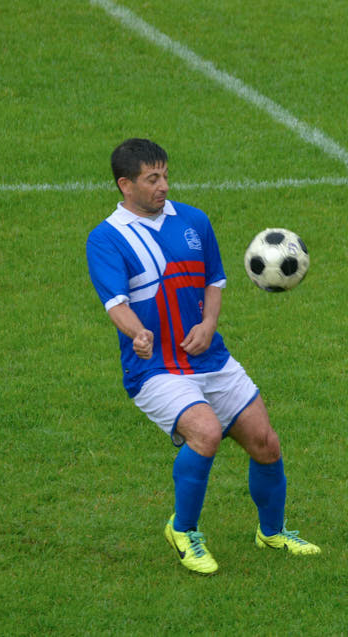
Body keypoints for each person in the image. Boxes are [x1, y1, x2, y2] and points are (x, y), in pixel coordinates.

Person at [86, 138, 321, 575]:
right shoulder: (106, 239)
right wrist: (139, 334)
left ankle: (272, 533)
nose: (163, 185)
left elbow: (214, 280)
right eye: (152, 179)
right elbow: (116, 303)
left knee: (266, 444)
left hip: (211, 359)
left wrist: (209, 322)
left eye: (165, 175)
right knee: (206, 433)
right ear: (125, 185)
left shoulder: (194, 220)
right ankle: (184, 530)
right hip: (155, 368)